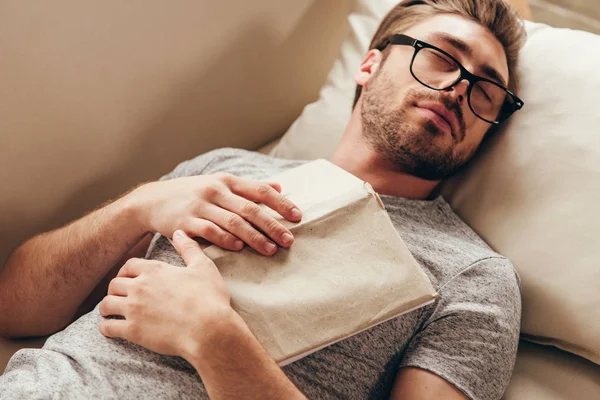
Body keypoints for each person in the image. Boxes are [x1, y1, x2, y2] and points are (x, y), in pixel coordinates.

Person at [0, 0, 527, 399]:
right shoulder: (219, 169)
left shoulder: (474, 276)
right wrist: (137, 207)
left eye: (487, 90)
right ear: (369, 66)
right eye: (439, 57)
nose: (460, 88)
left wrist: (214, 339)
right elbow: (12, 307)